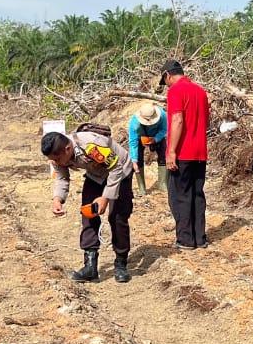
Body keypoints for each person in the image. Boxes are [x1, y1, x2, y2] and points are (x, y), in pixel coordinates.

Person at [42, 127, 134, 283]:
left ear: (68, 149)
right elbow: (62, 178)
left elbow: (116, 167)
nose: (55, 163)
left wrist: (105, 197)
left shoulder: (91, 146)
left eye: (57, 159)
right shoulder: (57, 155)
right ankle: (90, 267)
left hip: (120, 171)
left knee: (117, 217)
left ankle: (121, 263)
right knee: (88, 213)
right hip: (96, 174)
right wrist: (57, 199)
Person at [159, 59, 211, 249]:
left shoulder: (175, 91)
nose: (166, 86)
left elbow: (178, 120)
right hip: (200, 152)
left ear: (167, 75)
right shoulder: (200, 91)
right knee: (197, 194)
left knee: (179, 196)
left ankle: (186, 239)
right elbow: (206, 120)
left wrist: (171, 150)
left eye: (165, 81)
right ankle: (200, 238)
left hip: (183, 152)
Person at [128, 101, 168, 196]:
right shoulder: (134, 122)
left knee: (163, 156)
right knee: (138, 161)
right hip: (141, 137)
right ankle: (142, 188)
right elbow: (133, 142)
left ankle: (163, 184)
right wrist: (134, 160)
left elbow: (164, 129)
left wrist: (156, 139)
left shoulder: (162, 115)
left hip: (157, 136)